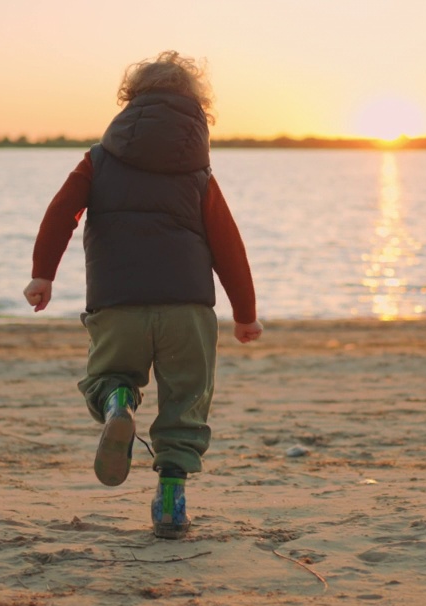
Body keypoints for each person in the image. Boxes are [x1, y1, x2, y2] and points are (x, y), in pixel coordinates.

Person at [23, 51, 262, 539]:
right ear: (197, 110)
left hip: (118, 303)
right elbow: (227, 245)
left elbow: (60, 214)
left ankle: (117, 401)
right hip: (188, 310)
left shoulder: (97, 161)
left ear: (129, 102)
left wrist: (42, 275)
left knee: (108, 373)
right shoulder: (198, 174)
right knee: (185, 402)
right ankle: (171, 500)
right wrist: (245, 313)